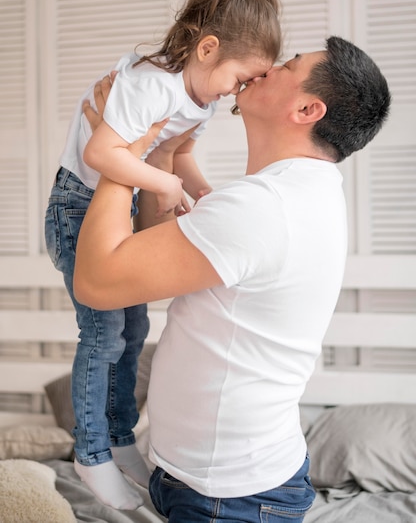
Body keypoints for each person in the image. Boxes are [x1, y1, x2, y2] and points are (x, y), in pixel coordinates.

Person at [74, 36, 390, 522]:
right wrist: (156, 161)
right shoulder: (293, 194)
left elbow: (97, 281)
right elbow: (157, 259)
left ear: (308, 108)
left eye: (287, 65)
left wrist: (120, 151)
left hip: (229, 499)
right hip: (211, 481)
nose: (265, 68)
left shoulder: (264, 208)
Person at [44, 0, 281, 510]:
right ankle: (91, 450)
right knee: (102, 336)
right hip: (77, 207)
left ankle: (122, 436)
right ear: (207, 49)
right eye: (239, 78)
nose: (238, 93)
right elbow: (100, 154)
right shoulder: (152, 83)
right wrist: (164, 185)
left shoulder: (201, 98)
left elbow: (177, 156)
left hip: (116, 208)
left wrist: (204, 195)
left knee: (133, 328)